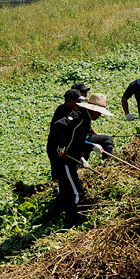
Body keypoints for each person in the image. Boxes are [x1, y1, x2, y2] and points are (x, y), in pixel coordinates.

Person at [49, 93, 114, 226]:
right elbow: (58, 126)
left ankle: (62, 217)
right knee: (77, 192)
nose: (100, 115)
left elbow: (78, 141)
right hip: (65, 160)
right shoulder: (78, 116)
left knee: (67, 191)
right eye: (99, 112)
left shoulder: (86, 119)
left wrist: (87, 151)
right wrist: (62, 146)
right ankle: (75, 222)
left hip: (73, 158)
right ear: (92, 109)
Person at [47, 89, 85, 182]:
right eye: (77, 101)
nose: (79, 103)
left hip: (63, 146)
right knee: (58, 171)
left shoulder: (71, 111)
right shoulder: (62, 111)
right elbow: (58, 129)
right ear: (69, 101)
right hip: (56, 146)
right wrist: (61, 146)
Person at [71, 82, 114, 160]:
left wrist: (95, 134)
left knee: (107, 139)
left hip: (85, 138)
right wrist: (92, 145)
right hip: (75, 144)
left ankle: (107, 163)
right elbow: (74, 139)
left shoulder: (86, 114)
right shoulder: (78, 115)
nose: (100, 115)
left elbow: (87, 126)